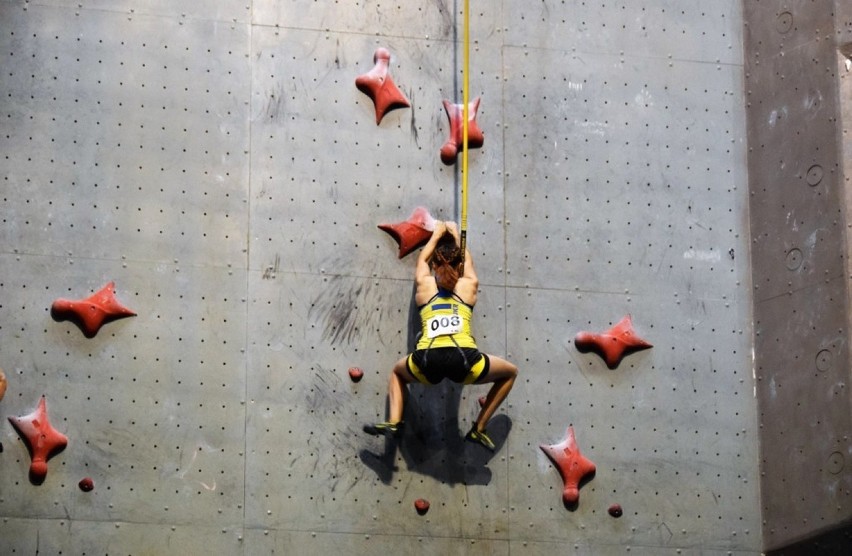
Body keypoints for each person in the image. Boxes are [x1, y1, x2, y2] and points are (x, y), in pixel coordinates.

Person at [367, 220, 518, 450]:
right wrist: (456, 235)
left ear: (434, 265)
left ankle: (395, 422)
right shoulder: (468, 286)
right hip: (464, 361)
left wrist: (436, 235)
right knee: (510, 373)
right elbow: (468, 262)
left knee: (398, 373)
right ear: (458, 267)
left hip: (427, 362)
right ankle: (479, 428)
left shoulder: (425, 285)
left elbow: (421, 261)